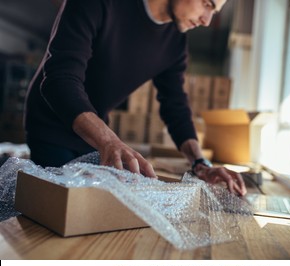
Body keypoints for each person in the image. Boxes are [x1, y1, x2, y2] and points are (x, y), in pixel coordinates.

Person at [24, 0, 247, 196]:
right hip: (52, 123)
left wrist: (201, 163)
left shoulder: (176, 44)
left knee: (98, 209)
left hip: (96, 134)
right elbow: (60, 80)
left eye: (214, 12)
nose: (207, 20)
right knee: (62, 210)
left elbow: (176, 107)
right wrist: (110, 141)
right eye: (207, 3)